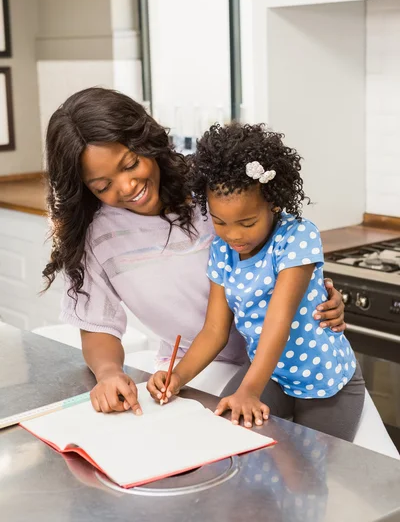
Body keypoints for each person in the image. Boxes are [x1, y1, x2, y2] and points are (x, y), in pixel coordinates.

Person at [43, 87, 346, 415]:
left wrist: (314, 300)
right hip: (199, 369)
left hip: (290, 361)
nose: (127, 186)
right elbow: (97, 325)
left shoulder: (212, 188)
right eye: (103, 186)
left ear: (147, 142)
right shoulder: (97, 237)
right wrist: (109, 373)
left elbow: (282, 245)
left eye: (130, 164)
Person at [147, 123, 365, 441]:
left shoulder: (297, 238)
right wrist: (177, 377)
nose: (234, 235)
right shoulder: (222, 250)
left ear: (274, 204)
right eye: (219, 222)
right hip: (271, 376)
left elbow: (280, 319)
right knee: (227, 440)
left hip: (324, 381)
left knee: (310, 476)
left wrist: (249, 389)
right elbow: (214, 330)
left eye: (247, 223)